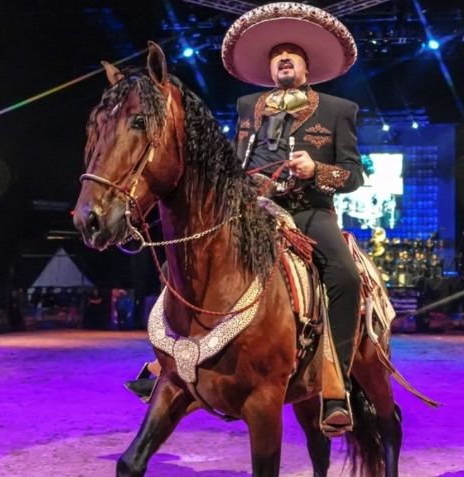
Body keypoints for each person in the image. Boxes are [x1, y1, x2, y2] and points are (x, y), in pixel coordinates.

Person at [127, 2, 364, 434]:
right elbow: (235, 163)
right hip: (252, 208)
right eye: (277, 54)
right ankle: (172, 364)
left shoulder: (337, 109)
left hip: (309, 213)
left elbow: (353, 176)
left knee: (345, 277)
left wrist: (317, 170)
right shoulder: (247, 106)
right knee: (196, 253)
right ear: (270, 67)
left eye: (292, 53)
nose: (283, 58)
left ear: (307, 66)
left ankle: (336, 385)